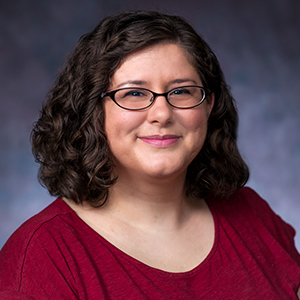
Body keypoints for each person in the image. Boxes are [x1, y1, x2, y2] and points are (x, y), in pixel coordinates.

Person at [0, 10, 299, 299]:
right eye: (134, 93)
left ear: (208, 106)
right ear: (92, 111)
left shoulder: (252, 214)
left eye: (181, 91)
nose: (161, 113)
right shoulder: (43, 258)